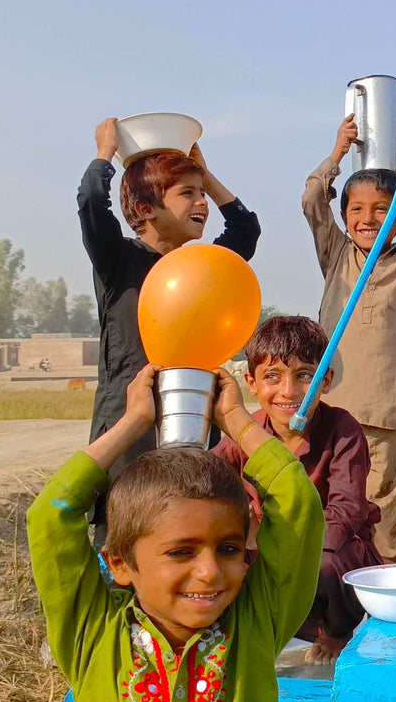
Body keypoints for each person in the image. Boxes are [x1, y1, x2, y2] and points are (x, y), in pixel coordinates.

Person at [27, 364, 325, 702]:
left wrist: (234, 419)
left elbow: (297, 505)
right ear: (120, 564)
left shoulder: (254, 624)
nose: (210, 572)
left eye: (229, 548)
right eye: (181, 552)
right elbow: (51, 518)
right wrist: (131, 422)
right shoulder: (94, 634)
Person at [78, 117, 261, 545]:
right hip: (127, 430)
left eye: (202, 195)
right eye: (187, 194)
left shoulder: (204, 270)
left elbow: (245, 229)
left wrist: (204, 174)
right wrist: (106, 151)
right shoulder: (117, 262)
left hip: (195, 425)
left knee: (188, 524)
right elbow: (90, 201)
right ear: (145, 210)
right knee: (125, 534)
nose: (201, 203)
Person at [214, 315, 383, 664]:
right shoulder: (243, 435)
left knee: (330, 558)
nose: (289, 392)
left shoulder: (342, 430)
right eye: (272, 377)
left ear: (327, 380)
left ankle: (335, 634)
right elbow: (203, 483)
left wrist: (278, 544)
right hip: (263, 556)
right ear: (251, 383)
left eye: (305, 375)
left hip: (324, 558)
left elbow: (346, 515)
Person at [302, 114, 396, 564]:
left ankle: (378, 597)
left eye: (381, 210)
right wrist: (338, 151)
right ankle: (328, 598)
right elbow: (312, 198)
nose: (367, 218)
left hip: (388, 415)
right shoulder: (336, 253)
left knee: (383, 513)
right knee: (329, 509)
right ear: (344, 217)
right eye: (356, 209)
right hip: (332, 410)